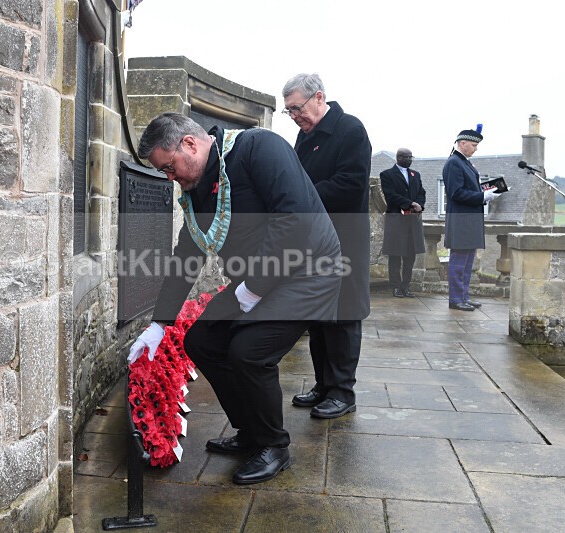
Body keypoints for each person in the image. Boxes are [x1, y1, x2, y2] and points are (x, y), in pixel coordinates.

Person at [128, 112, 343, 485]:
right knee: (203, 340)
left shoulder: (259, 148)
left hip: (310, 272)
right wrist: (159, 325)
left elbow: (295, 220)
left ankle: (274, 447)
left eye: (169, 167)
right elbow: (187, 256)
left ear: (190, 144)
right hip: (256, 281)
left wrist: (253, 288)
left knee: (250, 351)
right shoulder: (195, 187)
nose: (170, 178)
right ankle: (250, 432)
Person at [281, 73, 371, 419]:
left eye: (296, 108)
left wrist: (300, 198)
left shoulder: (350, 130)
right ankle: (322, 384)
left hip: (344, 238)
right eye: (288, 112)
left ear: (318, 97)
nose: (294, 117)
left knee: (344, 315)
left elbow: (349, 185)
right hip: (313, 240)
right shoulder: (303, 138)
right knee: (317, 314)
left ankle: (342, 391)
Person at [442, 126, 499, 311]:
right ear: (462, 143)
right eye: (473, 145)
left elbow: (469, 189)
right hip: (460, 220)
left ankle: (464, 296)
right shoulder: (454, 163)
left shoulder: (464, 163)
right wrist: (483, 197)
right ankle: (456, 299)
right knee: (458, 262)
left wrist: (487, 191)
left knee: (467, 263)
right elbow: (456, 192)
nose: (476, 148)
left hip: (469, 220)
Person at [380, 148, 426, 298]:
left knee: (410, 256)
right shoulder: (387, 175)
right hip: (396, 220)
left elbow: (421, 193)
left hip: (412, 220)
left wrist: (419, 204)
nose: (410, 160)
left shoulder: (415, 175)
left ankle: (406, 286)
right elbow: (391, 195)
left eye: (411, 157)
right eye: (407, 157)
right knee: (395, 255)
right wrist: (410, 203)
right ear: (399, 157)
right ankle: (395, 287)